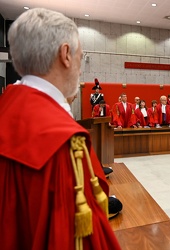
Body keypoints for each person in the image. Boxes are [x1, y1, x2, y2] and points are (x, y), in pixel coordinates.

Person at [0, 8, 121, 250]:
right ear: (65, 54)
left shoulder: (7, 107)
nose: (80, 66)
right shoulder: (63, 144)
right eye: (80, 56)